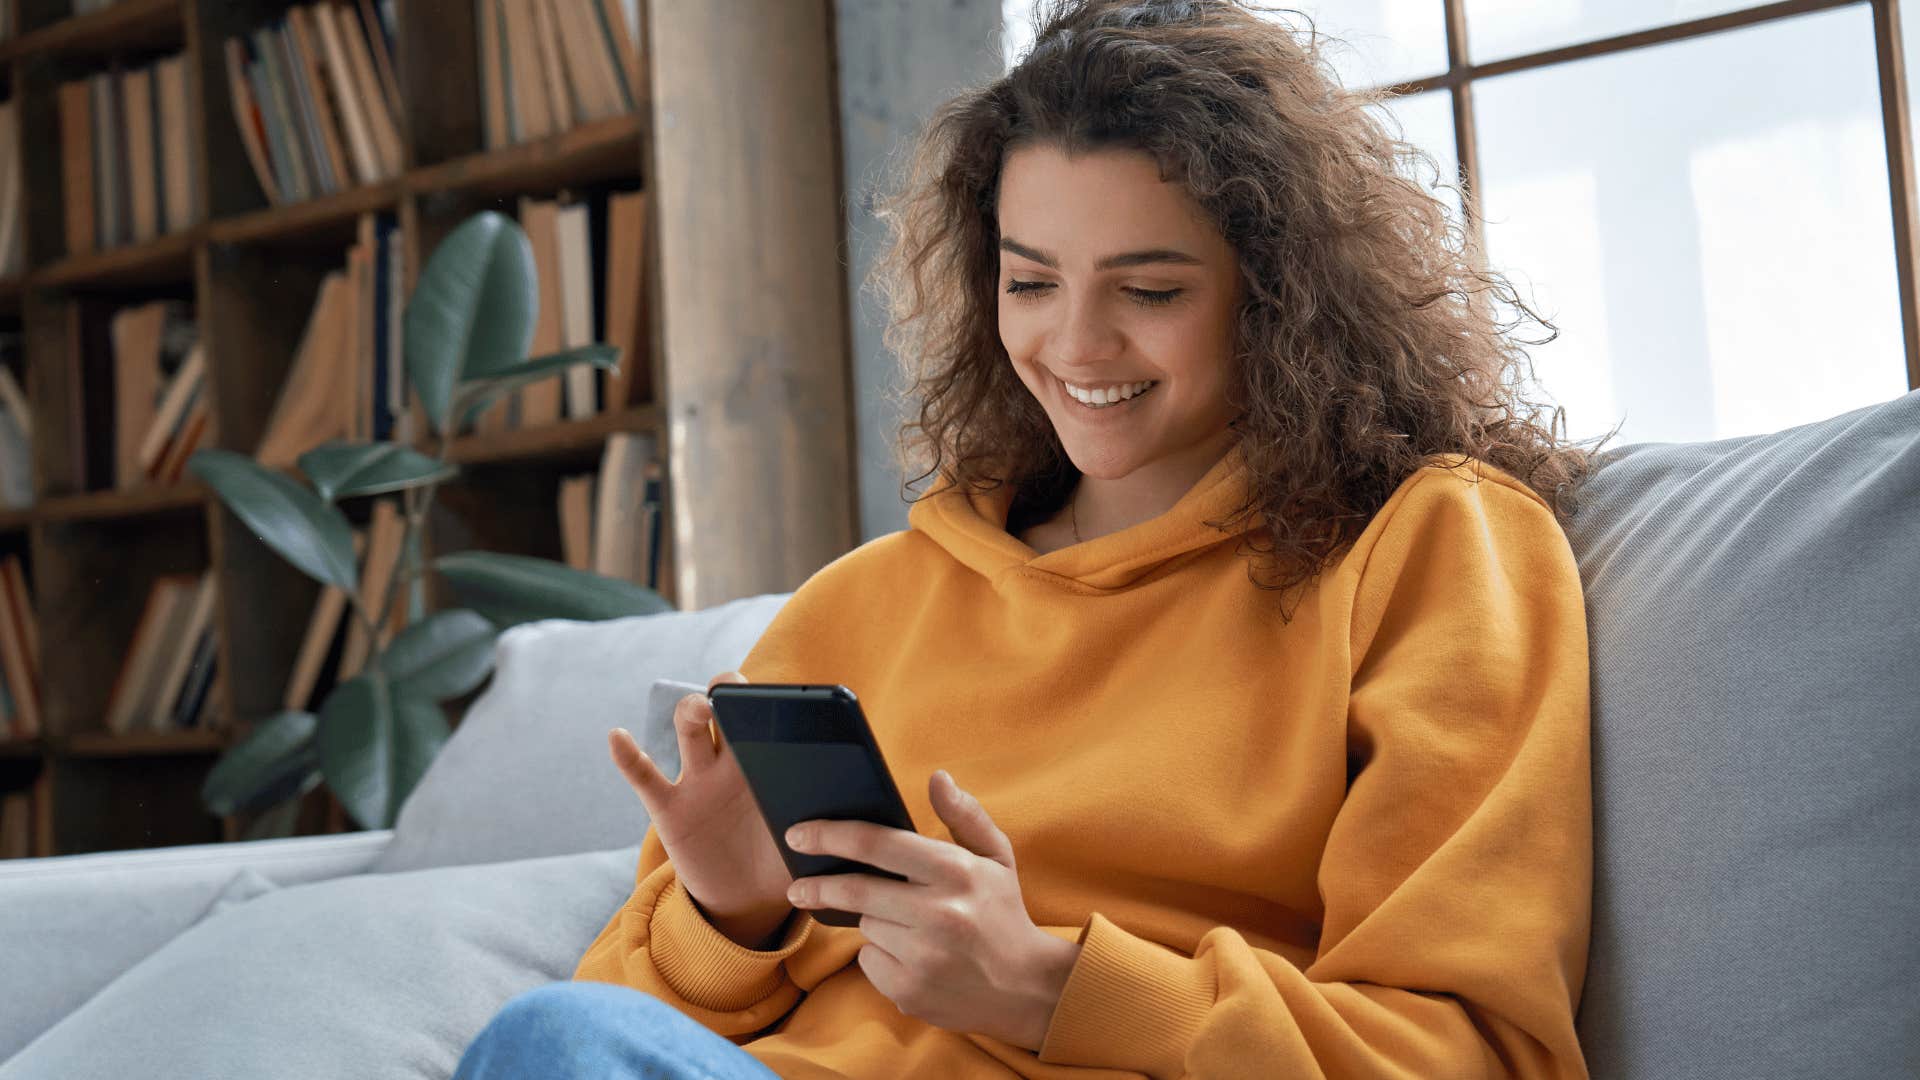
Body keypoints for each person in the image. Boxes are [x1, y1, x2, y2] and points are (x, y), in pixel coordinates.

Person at [455, 0, 1618, 1076]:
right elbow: (608, 1029)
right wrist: (731, 915)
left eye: (1149, 291)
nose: (1076, 344)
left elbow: (1470, 1050)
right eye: (1031, 282)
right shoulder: (861, 604)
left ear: (1277, 292)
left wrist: (1048, 984)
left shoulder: (1426, 549)